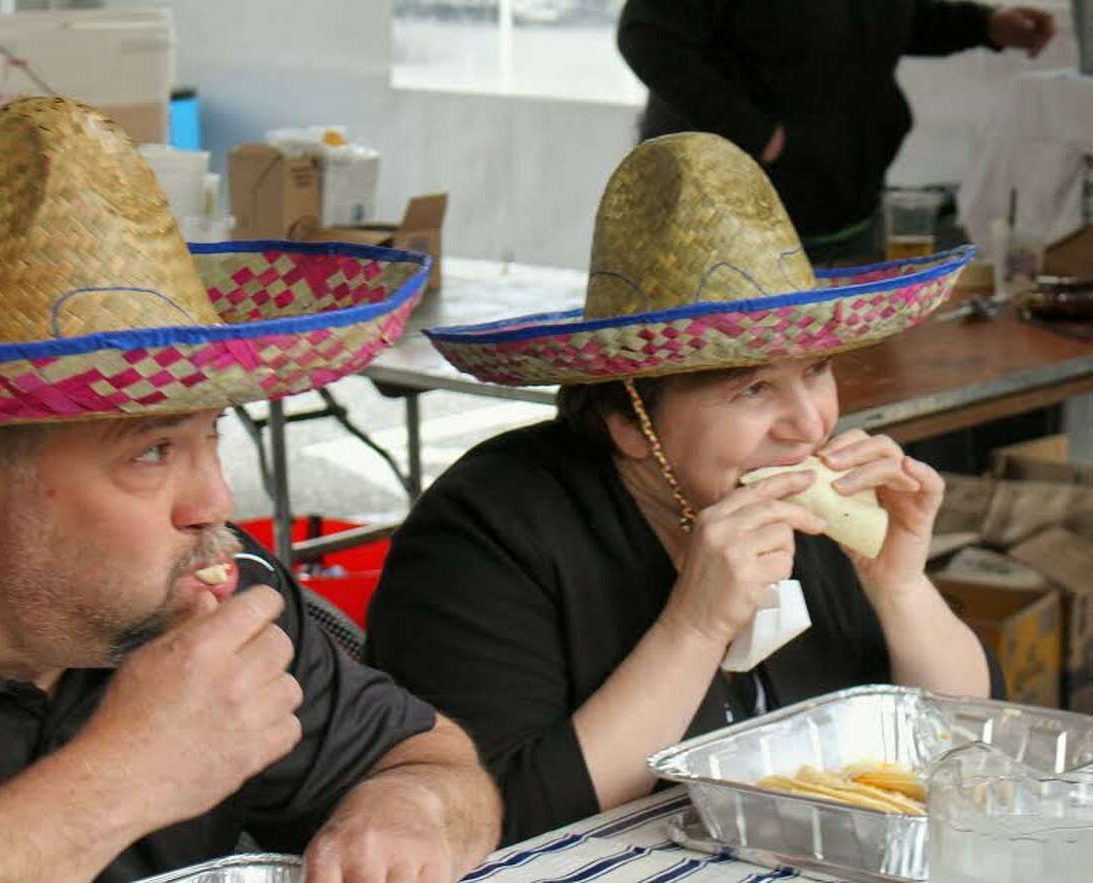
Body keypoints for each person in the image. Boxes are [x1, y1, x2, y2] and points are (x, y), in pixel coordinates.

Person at [0, 97, 500, 882]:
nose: (213, 502)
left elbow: (433, 757)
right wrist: (129, 772)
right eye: (151, 452)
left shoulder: (206, 589)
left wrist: (402, 809)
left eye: (210, 436)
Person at [365, 132, 1003, 846]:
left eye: (817, 370)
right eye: (754, 386)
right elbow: (503, 818)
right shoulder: (483, 534)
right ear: (628, 419)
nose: (809, 423)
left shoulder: (804, 517)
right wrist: (693, 628)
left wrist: (901, 586)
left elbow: (963, 745)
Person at [616, 1, 1055, 263]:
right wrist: (758, 135)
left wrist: (986, 26)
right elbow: (647, 37)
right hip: (722, 222)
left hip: (842, 211)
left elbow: (896, 16)